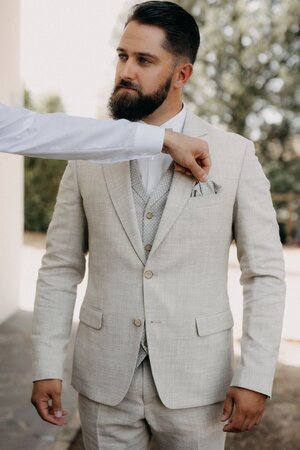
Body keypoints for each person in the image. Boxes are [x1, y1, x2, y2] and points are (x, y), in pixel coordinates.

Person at [31, 2, 286, 449]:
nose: (126, 71)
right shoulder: (87, 154)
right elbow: (60, 266)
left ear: (181, 74)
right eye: (122, 56)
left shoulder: (236, 154)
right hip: (105, 380)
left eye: (144, 60)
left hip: (197, 384)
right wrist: (45, 363)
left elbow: (263, 274)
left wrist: (256, 374)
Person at [0, 102, 210, 181]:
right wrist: (164, 138)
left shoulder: (236, 152)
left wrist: (163, 138)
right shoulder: (82, 171)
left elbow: (35, 129)